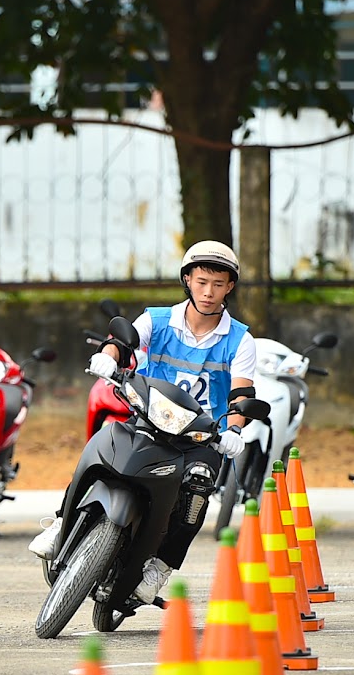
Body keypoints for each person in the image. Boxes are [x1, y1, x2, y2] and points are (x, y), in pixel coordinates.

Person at [29, 240, 256, 603]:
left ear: (230, 286)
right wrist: (107, 356)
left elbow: (242, 392)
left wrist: (234, 429)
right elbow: (122, 343)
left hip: (200, 437)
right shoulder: (157, 319)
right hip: (147, 419)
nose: (208, 292)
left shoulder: (241, 340)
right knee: (101, 446)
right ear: (187, 280)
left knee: (198, 490)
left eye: (217, 284)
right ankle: (62, 523)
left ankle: (160, 567)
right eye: (201, 281)